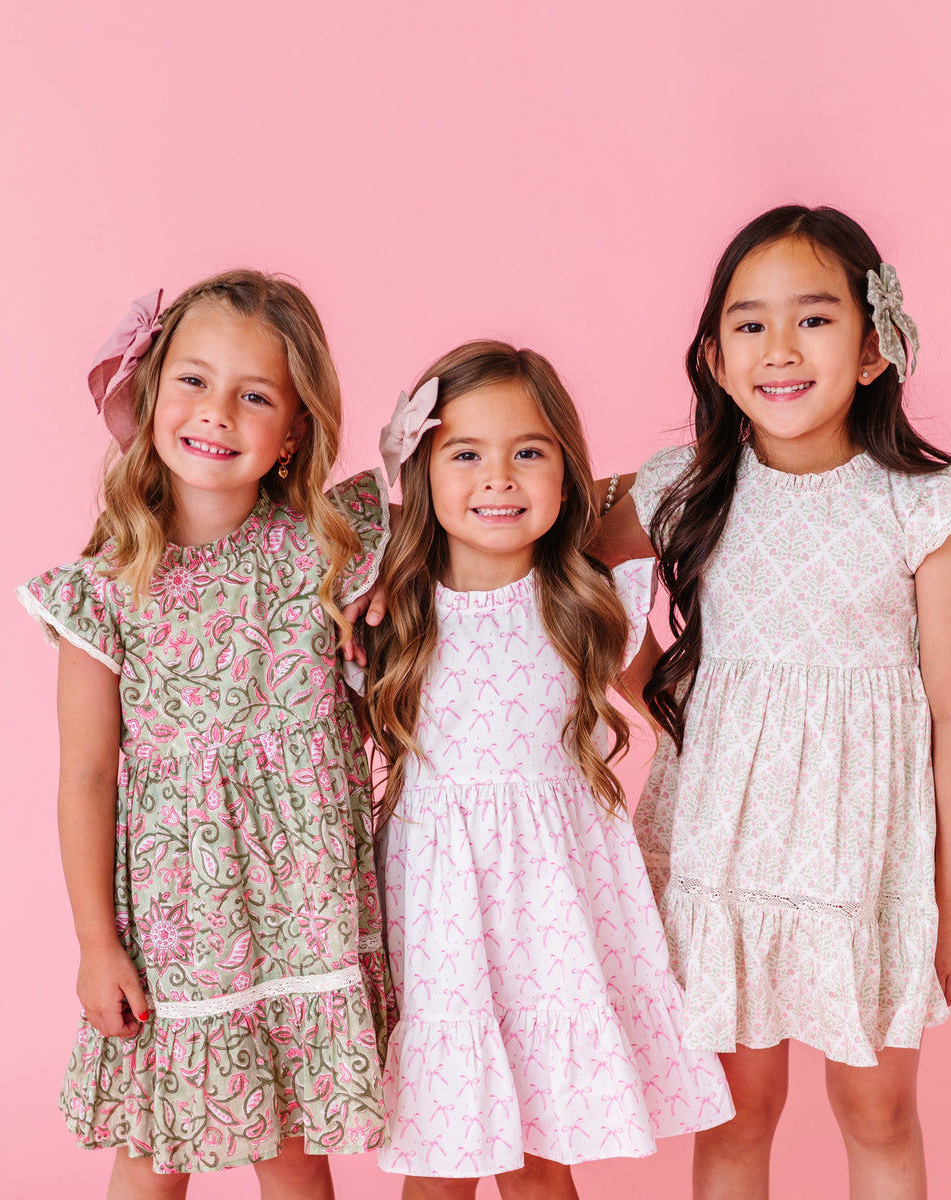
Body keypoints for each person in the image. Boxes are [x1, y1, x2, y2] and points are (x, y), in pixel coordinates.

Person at [595, 206, 951, 1199]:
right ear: (715, 358)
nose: (779, 347)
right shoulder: (685, 487)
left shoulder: (920, 505)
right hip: (725, 850)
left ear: (873, 350)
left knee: (878, 1112)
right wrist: (664, 697)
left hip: (862, 858)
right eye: (750, 323)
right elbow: (573, 571)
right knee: (739, 1116)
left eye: (813, 320)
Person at [18, 270, 392, 1196]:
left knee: (296, 1150)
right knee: (153, 1152)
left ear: (293, 431)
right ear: (149, 396)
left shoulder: (327, 548)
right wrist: (96, 945)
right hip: (178, 927)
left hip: (306, 913)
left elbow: (480, 485)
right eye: (192, 380)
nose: (216, 412)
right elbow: (86, 779)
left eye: (254, 395)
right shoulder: (107, 588)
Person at [362, 342, 734, 1198]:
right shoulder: (391, 606)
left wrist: (604, 499)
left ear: (566, 470)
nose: (499, 478)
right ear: (418, 470)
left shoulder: (587, 600)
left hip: (554, 913)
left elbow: (675, 712)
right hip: (441, 914)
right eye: (465, 454)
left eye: (529, 452)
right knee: (445, 1161)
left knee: (540, 1160)